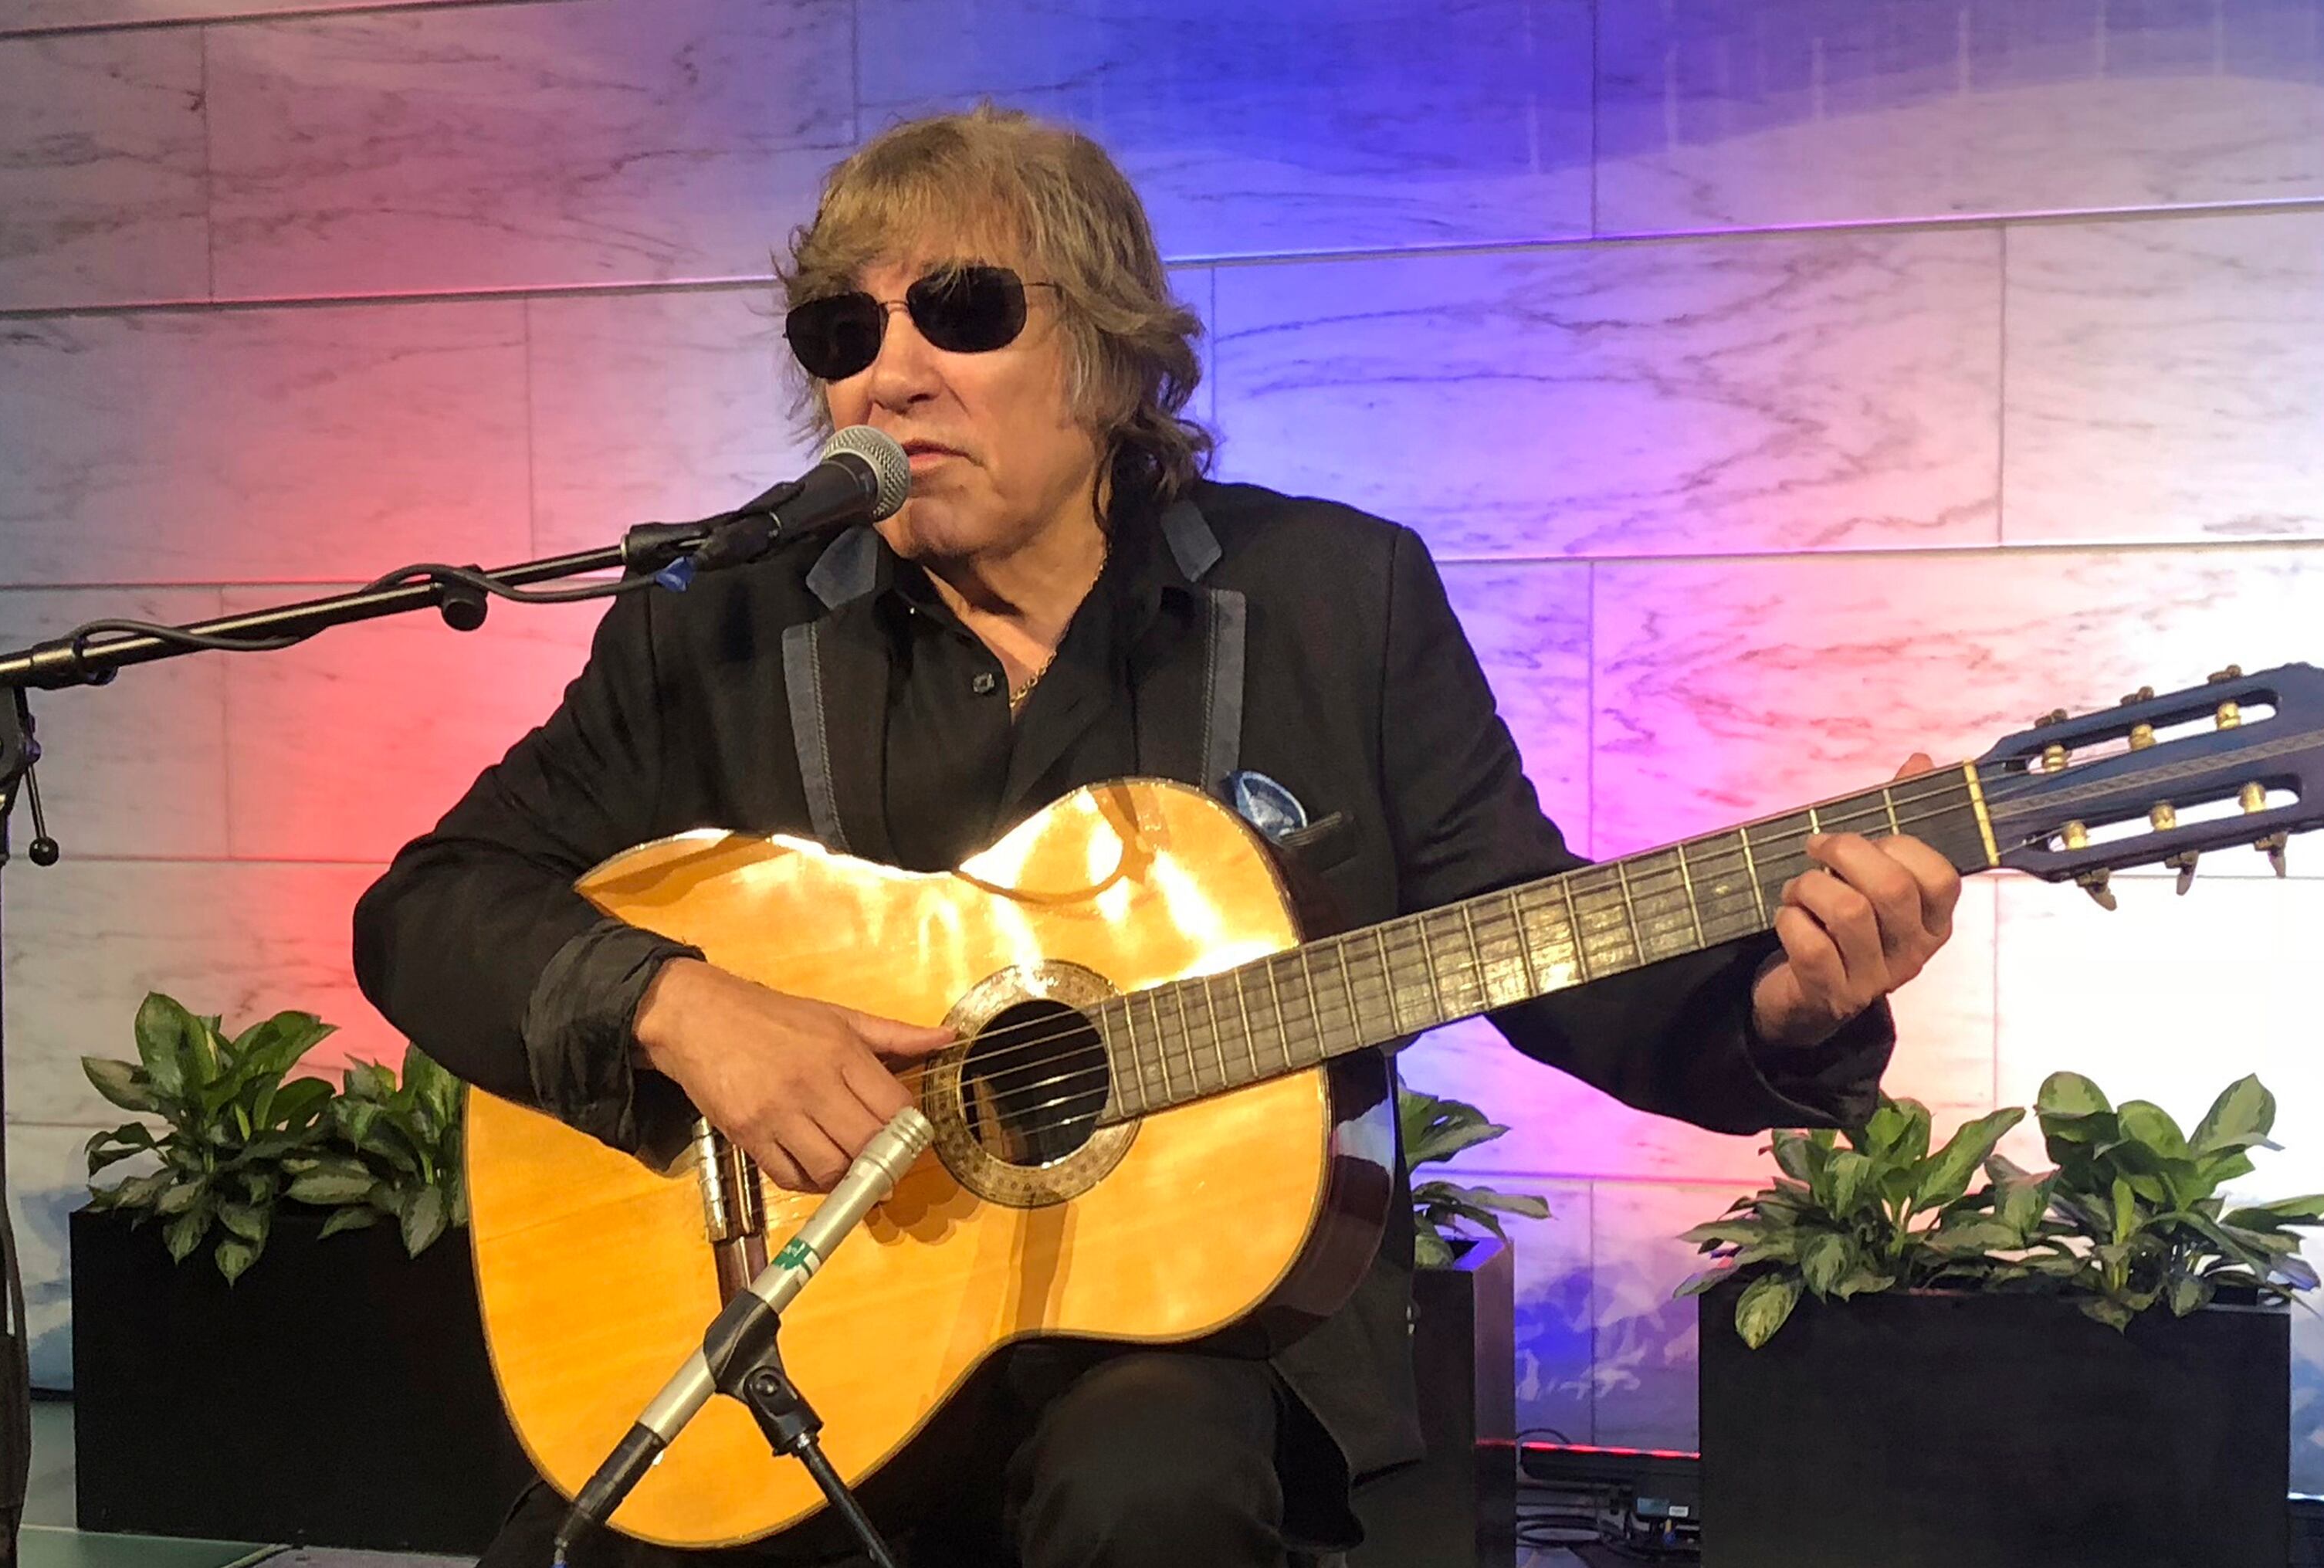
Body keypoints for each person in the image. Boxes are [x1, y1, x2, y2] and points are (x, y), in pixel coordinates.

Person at [354, 105, 1962, 1568]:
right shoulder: (716, 629)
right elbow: (429, 907)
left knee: (1152, 1492)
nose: (887, 375)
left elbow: (1529, 932)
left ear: (1115, 356)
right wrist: (681, 1006)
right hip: (810, 1316)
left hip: (1195, 1324)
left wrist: (1779, 1008)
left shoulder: (1335, 597)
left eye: (962, 310)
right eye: (843, 332)